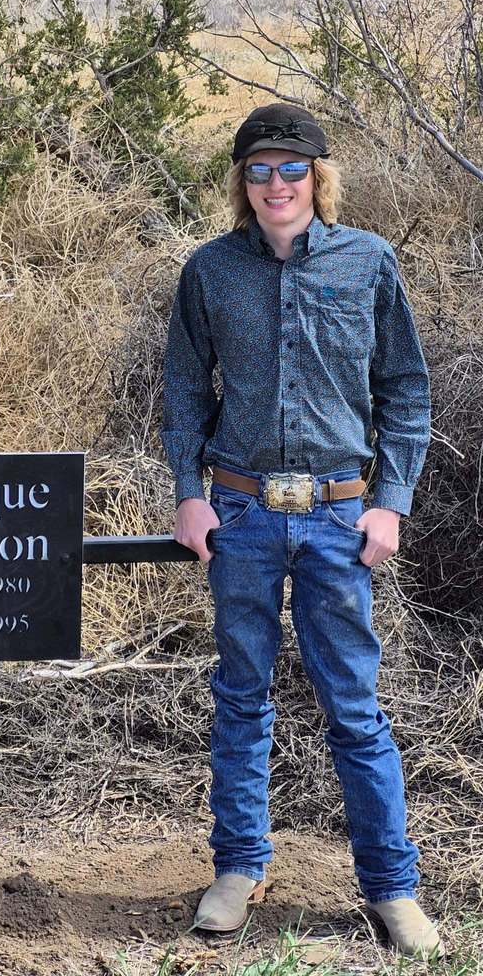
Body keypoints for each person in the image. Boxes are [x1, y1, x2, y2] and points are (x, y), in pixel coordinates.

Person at [159, 103, 443, 959]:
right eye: (258, 170)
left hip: (336, 517)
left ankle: (393, 890)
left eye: (290, 169)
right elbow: (181, 390)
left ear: (317, 176)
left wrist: (389, 500)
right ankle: (238, 869)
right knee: (239, 697)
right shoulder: (210, 271)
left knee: (354, 708)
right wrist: (187, 492)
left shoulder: (368, 263)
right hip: (239, 513)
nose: (275, 185)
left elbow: (406, 391)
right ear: (241, 184)